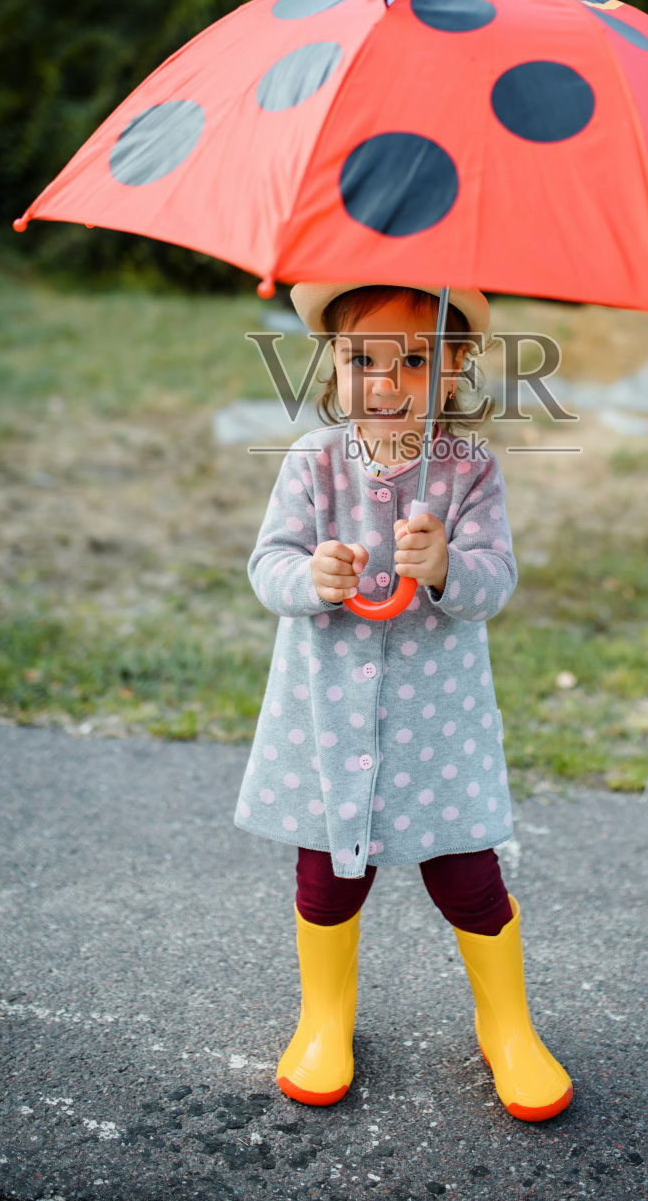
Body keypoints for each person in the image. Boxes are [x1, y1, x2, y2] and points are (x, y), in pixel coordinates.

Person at [235, 280, 572, 1121]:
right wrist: (310, 576)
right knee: (327, 871)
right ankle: (325, 1016)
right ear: (332, 364)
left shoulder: (468, 469)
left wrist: (448, 568)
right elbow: (267, 563)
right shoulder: (313, 459)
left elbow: (494, 579)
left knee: (464, 873)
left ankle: (506, 1025)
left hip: (433, 722)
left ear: (454, 368)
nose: (384, 384)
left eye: (414, 359)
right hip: (329, 711)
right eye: (362, 360)